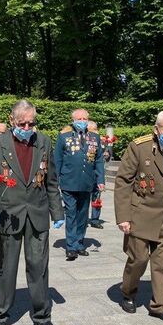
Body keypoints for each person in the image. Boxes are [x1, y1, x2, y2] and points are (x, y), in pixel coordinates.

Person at [0, 99, 65, 325]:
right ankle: (1, 314)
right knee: (6, 267)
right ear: (11, 121)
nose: (27, 129)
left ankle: (41, 315)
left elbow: (51, 181)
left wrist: (57, 212)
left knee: (38, 266)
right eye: (22, 124)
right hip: (9, 215)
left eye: (31, 124)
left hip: (37, 214)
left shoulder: (44, 142)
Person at [114, 110, 163, 325]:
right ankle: (128, 292)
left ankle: (159, 305)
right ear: (156, 130)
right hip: (141, 214)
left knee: (160, 263)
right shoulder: (139, 147)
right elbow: (123, 182)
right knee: (138, 259)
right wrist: (123, 217)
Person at [54, 110, 105, 260]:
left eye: (85, 118)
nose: (82, 121)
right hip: (68, 182)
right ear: (73, 120)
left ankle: (79, 243)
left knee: (82, 215)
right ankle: (70, 246)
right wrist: (55, 180)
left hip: (87, 181)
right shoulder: (64, 137)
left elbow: (99, 160)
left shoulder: (94, 138)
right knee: (71, 213)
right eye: (79, 118)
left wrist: (100, 180)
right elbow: (57, 160)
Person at [87, 120, 105, 229]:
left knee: (97, 198)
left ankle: (95, 219)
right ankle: (82, 219)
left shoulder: (99, 141)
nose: (95, 132)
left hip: (96, 175)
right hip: (85, 176)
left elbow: (100, 160)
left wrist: (101, 179)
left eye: (95, 130)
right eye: (92, 130)